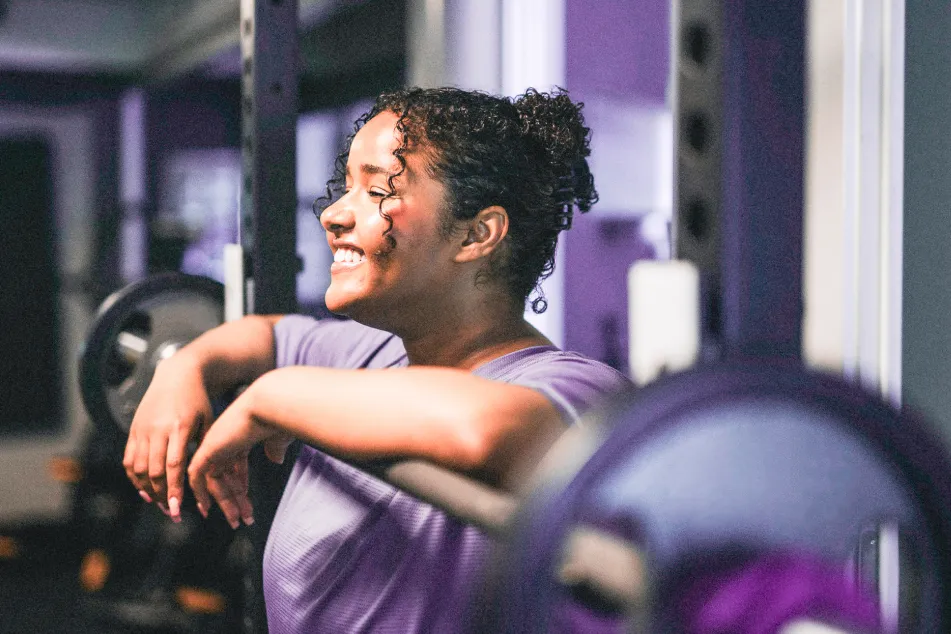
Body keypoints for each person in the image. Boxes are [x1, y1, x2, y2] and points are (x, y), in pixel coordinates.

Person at [122, 86, 632, 632]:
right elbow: (263, 336)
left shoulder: (578, 388)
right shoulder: (374, 354)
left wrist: (272, 396)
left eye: (375, 189)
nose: (333, 214)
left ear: (477, 234)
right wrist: (184, 368)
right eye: (347, 187)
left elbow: (486, 428)